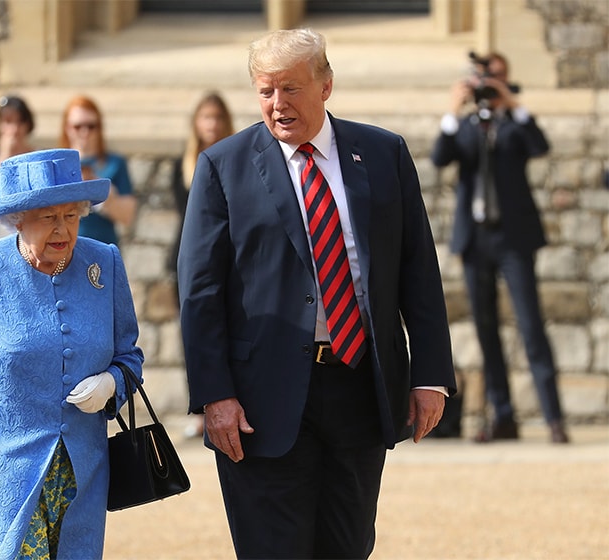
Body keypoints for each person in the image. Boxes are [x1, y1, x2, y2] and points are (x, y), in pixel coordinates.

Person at [177, 28, 456, 559]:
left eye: (290, 89)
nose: (277, 105)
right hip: (259, 402)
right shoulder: (223, 166)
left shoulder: (383, 153)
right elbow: (200, 292)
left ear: (325, 86)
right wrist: (214, 395)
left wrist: (432, 376)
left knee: (348, 548)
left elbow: (418, 271)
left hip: (358, 388)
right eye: (265, 91)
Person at [0, 148, 144, 559]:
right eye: (48, 217)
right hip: (0, 479)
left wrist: (112, 382)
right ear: (18, 219)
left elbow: (130, 359)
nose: (63, 230)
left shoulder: (105, 263)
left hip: (81, 477)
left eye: (72, 215)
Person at [431, 52, 569, 444]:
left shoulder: (515, 126)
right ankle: (502, 417)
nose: (489, 85)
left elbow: (540, 145)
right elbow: (441, 157)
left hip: (514, 239)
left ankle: (554, 418)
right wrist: (452, 111)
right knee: (486, 330)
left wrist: (514, 104)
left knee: (530, 326)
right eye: (484, 78)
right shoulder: (468, 125)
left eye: (496, 78)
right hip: (476, 240)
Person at [168, 92, 234, 438]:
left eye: (217, 118)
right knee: (193, 333)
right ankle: (199, 406)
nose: (212, 125)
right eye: (206, 118)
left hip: (231, 258)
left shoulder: (237, 161)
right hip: (191, 258)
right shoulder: (183, 164)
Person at [58, 95, 136, 246]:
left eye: (91, 126)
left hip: (103, 245)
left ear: (99, 128)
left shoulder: (114, 163)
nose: (85, 132)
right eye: (78, 126)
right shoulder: (57, 164)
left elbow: (128, 216)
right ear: (67, 128)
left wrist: (100, 193)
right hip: (63, 247)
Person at [0, 94, 36, 242]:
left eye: (20, 122)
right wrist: (4, 156)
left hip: (31, 235)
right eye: (8, 122)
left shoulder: (37, 158)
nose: (14, 129)